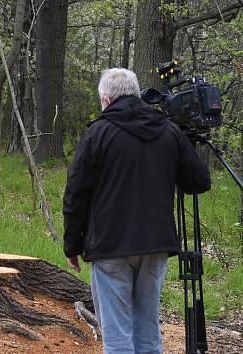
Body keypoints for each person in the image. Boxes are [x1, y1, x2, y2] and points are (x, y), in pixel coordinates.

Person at [62, 68, 211, 353]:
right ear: (136, 94)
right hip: (155, 244)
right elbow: (199, 181)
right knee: (147, 330)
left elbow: (76, 194)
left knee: (117, 334)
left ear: (106, 100)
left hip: (109, 245)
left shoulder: (98, 134)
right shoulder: (169, 131)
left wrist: (72, 244)